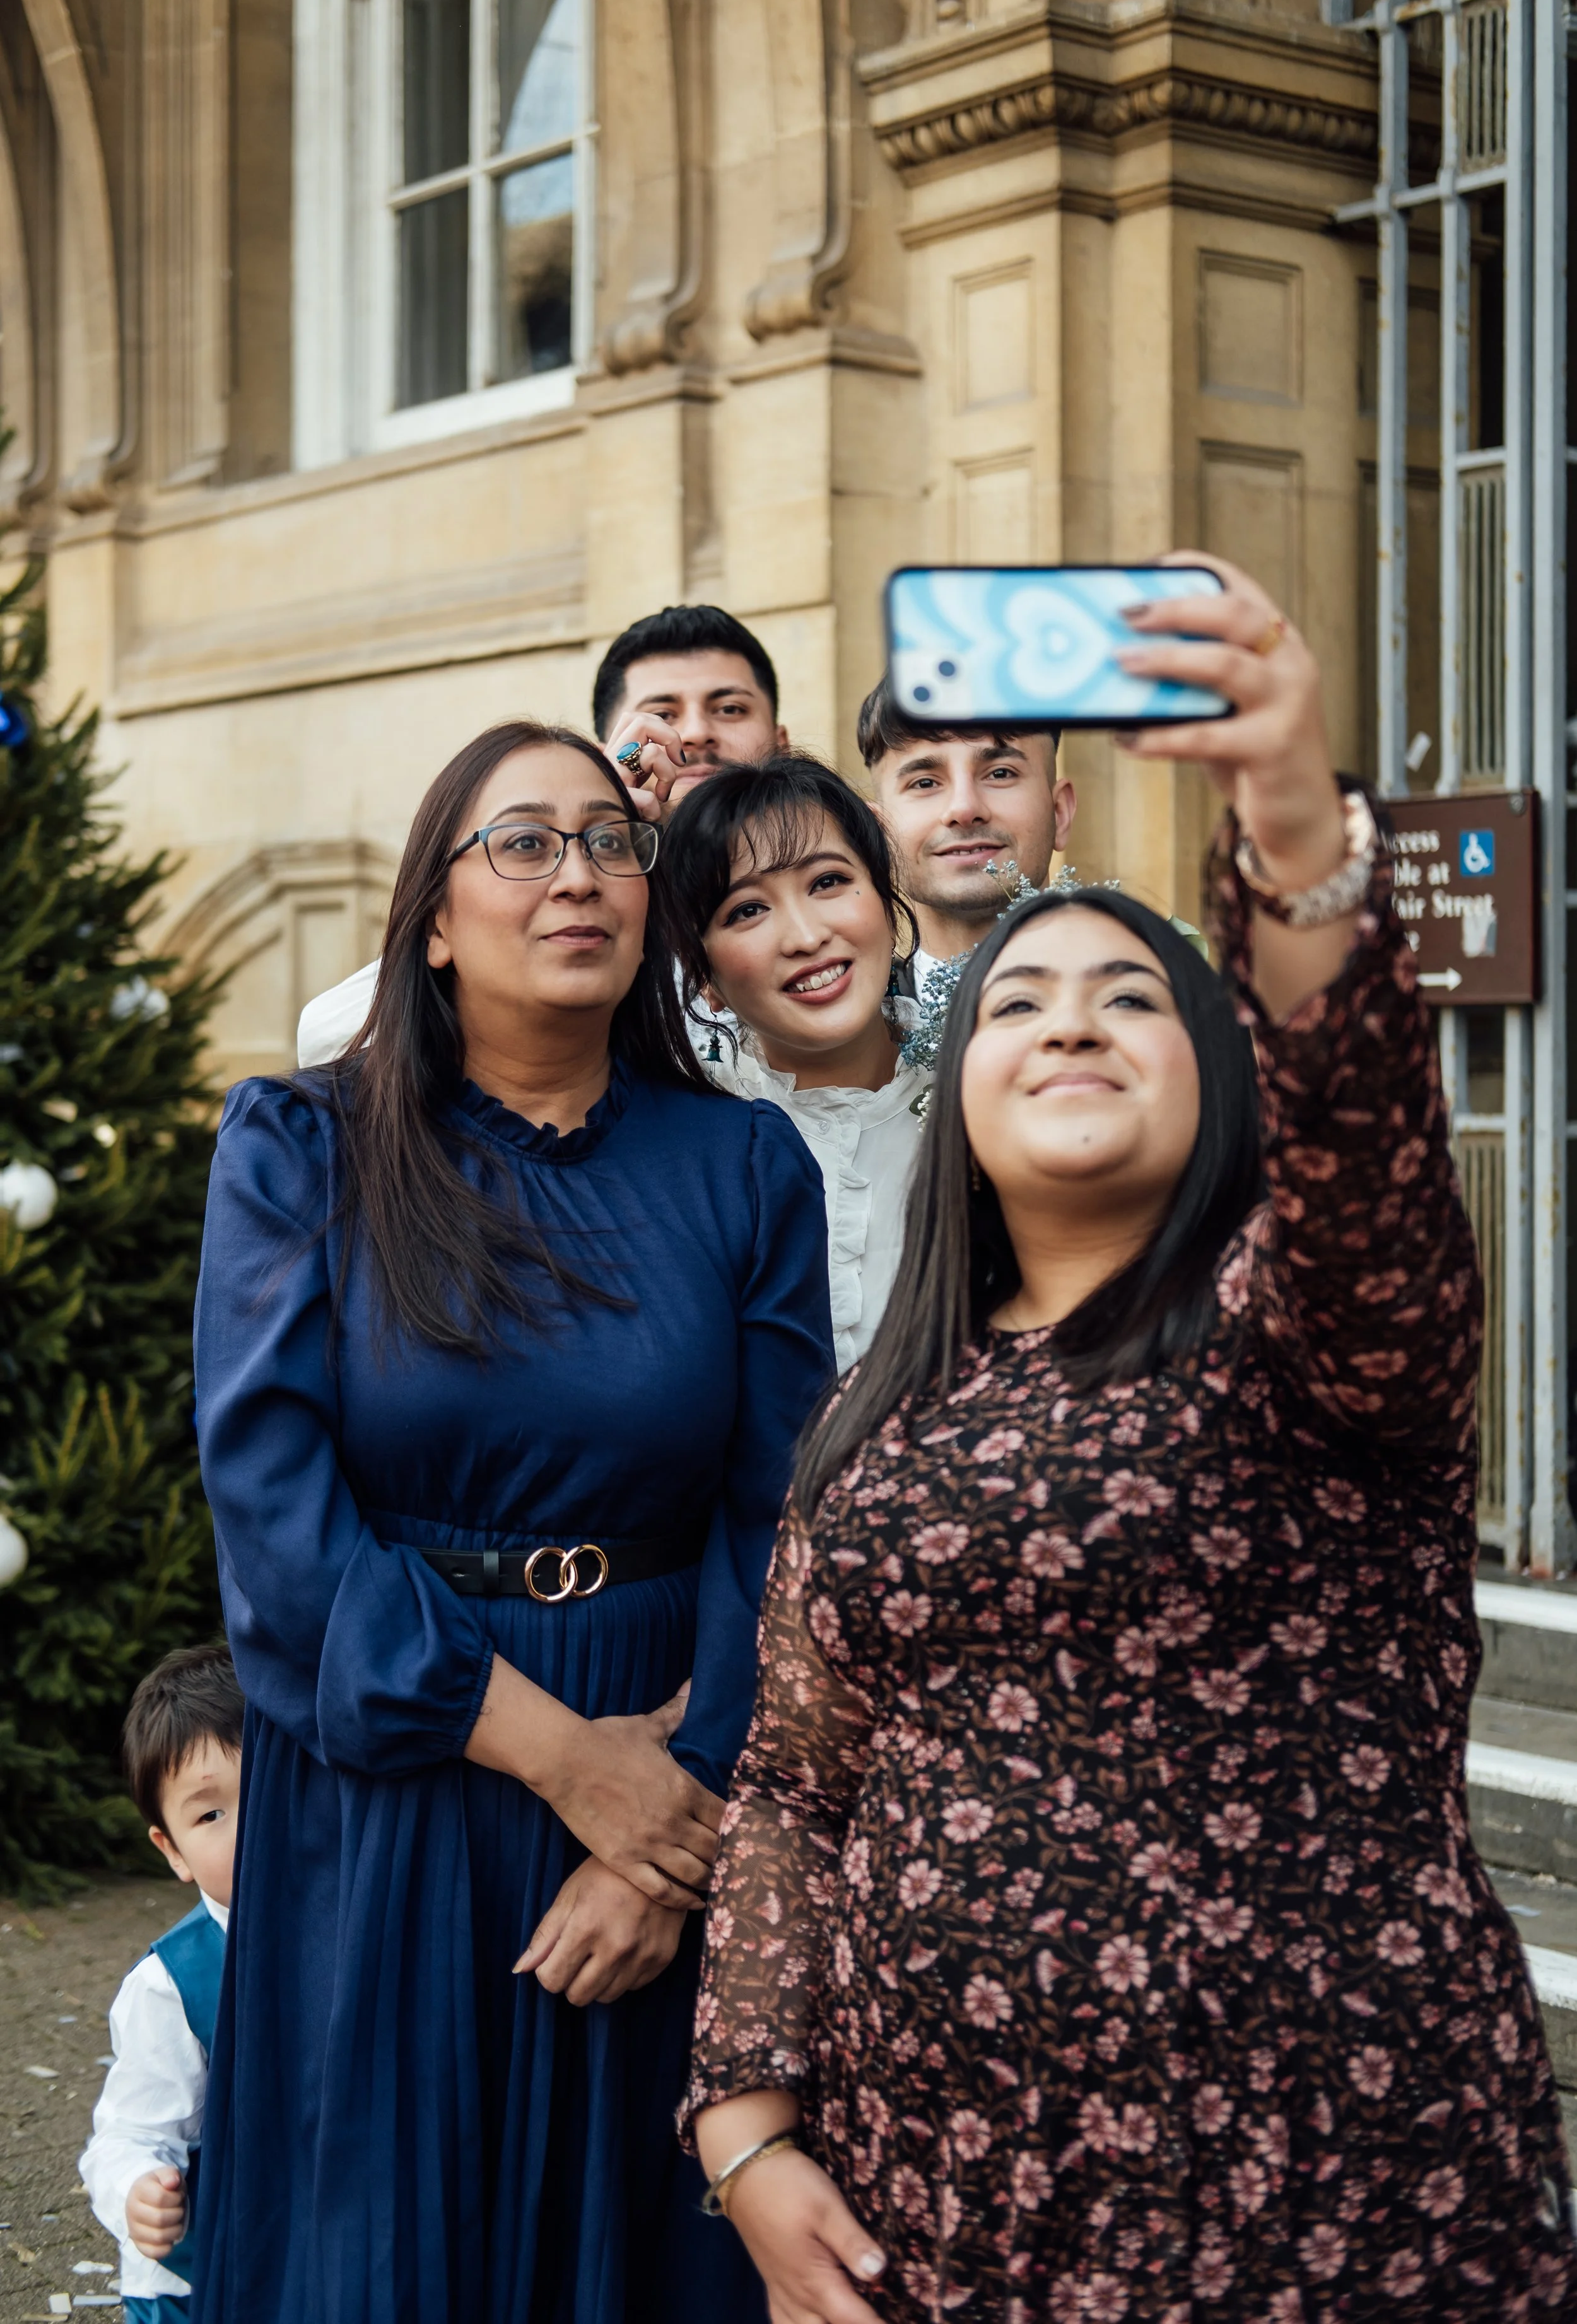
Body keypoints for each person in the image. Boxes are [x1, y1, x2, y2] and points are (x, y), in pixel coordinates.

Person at [683, 556, 1577, 2321]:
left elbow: (1364, 1128)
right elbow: (798, 1783)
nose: (1067, 1013)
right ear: (961, 1097)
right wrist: (744, 2126)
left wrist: (1289, 814)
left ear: (1221, 1076)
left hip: (1327, 2181)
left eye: (1127, 994)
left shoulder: (1316, 1343)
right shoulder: (884, 1411)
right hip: (942, 2200)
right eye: (1013, 1001)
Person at [192, 721, 833, 2323]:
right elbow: (275, 1515)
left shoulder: (745, 1161)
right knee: (388, 2248)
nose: (579, 875)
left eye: (612, 842)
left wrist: (678, 1815)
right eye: (525, 842)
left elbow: (785, 1513)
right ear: (433, 913)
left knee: (639, 2247)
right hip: (399, 1772)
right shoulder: (304, 1146)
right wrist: (563, 1755)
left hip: (667, 1762)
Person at [296, 604, 788, 1068]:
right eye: (662, 715)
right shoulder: (595, 907)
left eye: (729, 709)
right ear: (608, 751)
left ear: (782, 742)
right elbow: (331, 1040)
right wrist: (600, 804)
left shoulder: (852, 880)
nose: (698, 732)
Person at [662, 755, 929, 1374]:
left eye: (829, 882)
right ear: (704, 978)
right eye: (746, 911)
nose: (805, 936)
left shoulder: (987, 1102)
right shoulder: (675, 1138)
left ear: (888, 905)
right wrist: (610, 773)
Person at [80, 1645, 243, 2324]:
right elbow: (126, 2134)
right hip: (191, 2281)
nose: (254, 1826)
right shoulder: (171, 1984)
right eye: (210, 1815)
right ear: (171, 1849)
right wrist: (138, 2190)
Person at [857, 675, 1077, 998]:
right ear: (878, 834)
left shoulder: (1170, 990)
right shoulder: (847, 1034)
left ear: (1059, 814)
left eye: (1000, 774)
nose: (964, 808)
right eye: (925, 783)